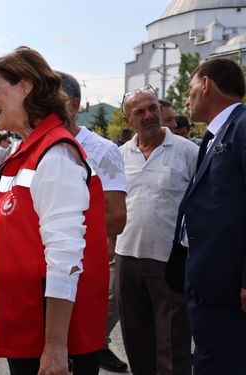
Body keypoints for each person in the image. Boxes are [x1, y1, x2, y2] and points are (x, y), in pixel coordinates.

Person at [0, 46, 108, 375]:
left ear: (26, 86)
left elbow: (65, 256)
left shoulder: (55, 154)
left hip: (50, 341)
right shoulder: (26, 151)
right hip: (26, 329)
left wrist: (55, 346)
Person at [166, 58, 246, 374]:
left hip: (229, 290)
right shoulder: (216, 134)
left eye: (189, 89)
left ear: (206, 85)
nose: (187, 99)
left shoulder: (241, 127)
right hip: (207, 282)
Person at [115, 86, 197, 375]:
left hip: (171, 261)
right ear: (128, 120)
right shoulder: (119, 156)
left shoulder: (189, 152)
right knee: (137, 343)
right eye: (140, 111)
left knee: (173, 348)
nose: (150, 115)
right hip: (126, 259)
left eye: (153, 108)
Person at [58, 71, 128, 373]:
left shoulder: (102, 151)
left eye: (55, 101)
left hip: (85, 271)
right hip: (45, 272)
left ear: (74, 105)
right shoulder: (37, 146)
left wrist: (57, 227)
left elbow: (116, 218)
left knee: (81, 350)